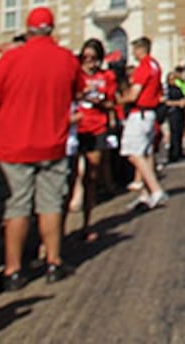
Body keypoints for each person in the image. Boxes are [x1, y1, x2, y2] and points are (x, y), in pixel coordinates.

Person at [0, 6, 82, 290]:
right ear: (52, 28)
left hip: (15, 145)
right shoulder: (66, 59)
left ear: (28, 29)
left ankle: (13, 269)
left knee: (17, 207)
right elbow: (78, 92)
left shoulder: (11, 58)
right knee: (51, 204)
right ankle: (53, 261)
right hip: (52, 142)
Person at [68, 38, 116, 243]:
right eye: (86, 58)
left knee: (91, 174)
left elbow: (112, 102)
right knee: (71, 175)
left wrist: (102, 102)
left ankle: (87, 223)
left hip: (96, 126)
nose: (90, 62)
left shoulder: (107, 76)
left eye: (94, 58)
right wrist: (81, 95)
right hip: (75, 128)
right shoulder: (74, 75)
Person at [119, 37, 169, 209]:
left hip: (139, 113)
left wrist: (120, 100)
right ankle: (146, 194)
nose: (133, 54)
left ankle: (155, 189)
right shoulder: (155, 66)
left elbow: (134, 94)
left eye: (134, 50)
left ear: (140, 50)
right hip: (150, 113)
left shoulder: (144, 67)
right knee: (146, 154)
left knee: (132, 152)